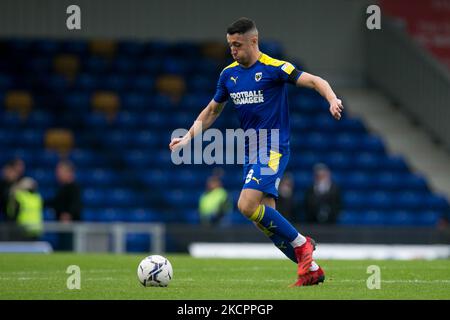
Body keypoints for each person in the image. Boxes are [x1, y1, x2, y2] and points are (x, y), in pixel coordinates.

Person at [169, 18, 343, 286]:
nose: (233, 50)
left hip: (273, 146)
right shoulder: (228, 75)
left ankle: (303, 243)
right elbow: (212, 110)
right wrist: (188, 137)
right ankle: (312, 270)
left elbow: (315, 81)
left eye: (237, 44)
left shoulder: (274, 68)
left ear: (253, 41)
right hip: (250, 151)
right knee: (263, 220)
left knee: (245, 205)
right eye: (230, 45)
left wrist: (332, 99)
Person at [46, 160, 82, 250]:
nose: (57, 174)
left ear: (68, 172)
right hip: (61, 225)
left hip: (70, 226)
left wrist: (68, 215)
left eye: (60, 172)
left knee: (68, 248)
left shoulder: (74, 188)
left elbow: (76, 204)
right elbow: (55, 203)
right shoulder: (61, 188)